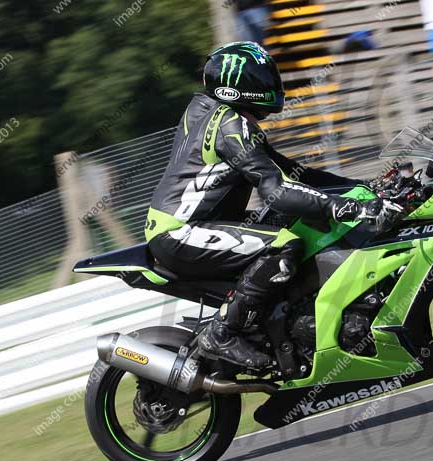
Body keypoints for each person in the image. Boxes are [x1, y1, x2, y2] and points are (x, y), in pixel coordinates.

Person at [144, 42, 398, 370]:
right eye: (263, 79)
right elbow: (276, 190)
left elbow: (295, 174)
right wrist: (341, 207)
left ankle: (281, 328)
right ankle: (222, 332)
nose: (271, 86)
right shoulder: (230, 125)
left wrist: (362, 188)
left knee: (291, 226)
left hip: (194, 224)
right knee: (284, 244)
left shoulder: (216, 113)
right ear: (239, 85)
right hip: (182, 230)